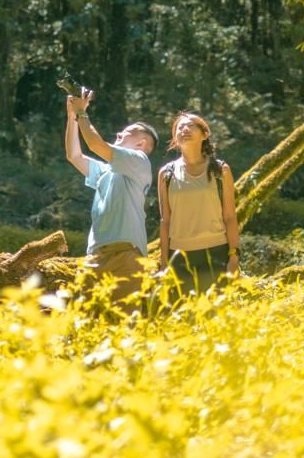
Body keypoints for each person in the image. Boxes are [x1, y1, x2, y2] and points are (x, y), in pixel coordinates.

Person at [65, 89, 159, 302]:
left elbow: (95, 145)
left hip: (126, 255)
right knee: (86, 323)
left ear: (141, 144)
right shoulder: (108, 170)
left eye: (127, 132)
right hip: (96, 254)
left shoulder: (139, 160)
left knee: (123, 324)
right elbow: (74, 155)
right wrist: (72, 116)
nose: (118, 133)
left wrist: (82, 113)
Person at [157, 111, 240, 295]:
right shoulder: (166, 173)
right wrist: (163, 263)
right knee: (183, 316)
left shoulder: (220, 170)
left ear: (205, 134)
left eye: (191, 126)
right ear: (174, 137)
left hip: (216, 252)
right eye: (180, 127)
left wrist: (234, 257)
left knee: (217, 315)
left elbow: (230, 216)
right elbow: (165, 221)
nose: (184, 129)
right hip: (179, 256)